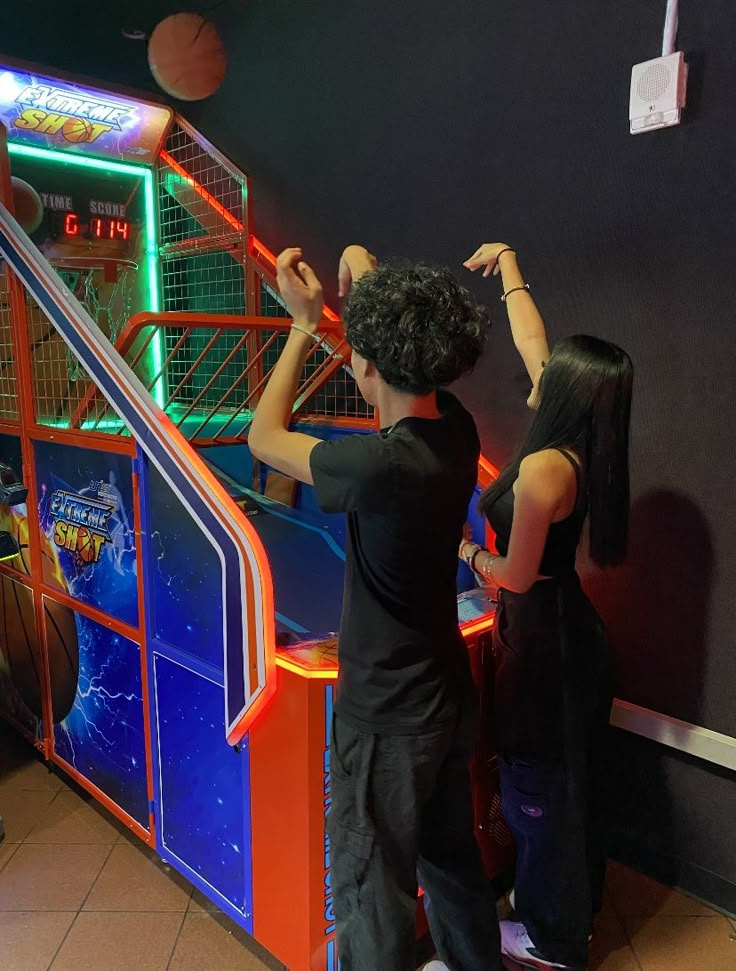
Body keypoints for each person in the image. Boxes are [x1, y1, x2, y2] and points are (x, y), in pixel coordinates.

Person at [248, 245, 501, 971]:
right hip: (448, 696)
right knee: (452, 860)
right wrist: (362, 270)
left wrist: (302, 325)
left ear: (364, 366)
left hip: (386, 714)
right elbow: (401, 347)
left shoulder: (376, 465)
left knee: (371, 886)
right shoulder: (454, 427)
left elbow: (264, 437)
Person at [459, 242, 633, 971]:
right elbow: (536, 342)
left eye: (548, 373)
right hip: (568, 637)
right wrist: (512, 269)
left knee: (538, 789)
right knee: (569, 785)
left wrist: (464, 554)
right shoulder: (584, 440)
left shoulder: (541, 471)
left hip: (546, 645)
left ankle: (550, 936)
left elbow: (516, 575)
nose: (538, 366)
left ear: (558, 393)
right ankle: (572, 913)